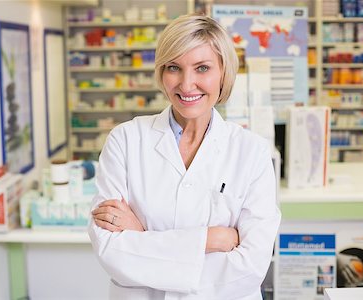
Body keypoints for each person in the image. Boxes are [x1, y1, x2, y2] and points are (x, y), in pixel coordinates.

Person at [88, 13, 281, 299]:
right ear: (161, 73)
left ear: (224, 73)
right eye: (174, 67)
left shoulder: (251, 152)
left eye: (202, 68)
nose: (186, 84)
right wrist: (211, 239)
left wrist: (142, 239)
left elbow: (251, 268)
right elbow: (111, 252)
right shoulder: (125, 140)